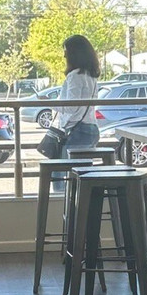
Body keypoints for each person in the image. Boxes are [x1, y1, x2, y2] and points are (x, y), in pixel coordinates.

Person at [52, 34, 101, 190]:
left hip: (77, 130)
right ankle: (83, 203)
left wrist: (50, 104)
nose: (64, 55)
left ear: (74, 53)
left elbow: (71, 107)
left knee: (60, 175)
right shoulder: (91, 76)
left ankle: (61, 203)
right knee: (82, 176)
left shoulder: (74, 76)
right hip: (91, 128)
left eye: (66, 51)